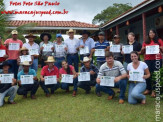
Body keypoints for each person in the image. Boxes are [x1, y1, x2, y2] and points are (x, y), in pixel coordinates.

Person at [139, 29, 163, 97]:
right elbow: (142, 52)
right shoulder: (145, 41)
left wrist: (160, 47)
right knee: (147, 74)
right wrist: (142, 49)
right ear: (148, 34)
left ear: (155, 34)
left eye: (152, 33)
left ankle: (154, 90)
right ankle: (148, 89)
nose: (151, 34)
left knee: (156, 74)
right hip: (148, 60)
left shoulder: (159, 40)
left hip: (157, 59)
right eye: (150, 33)